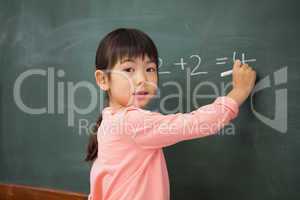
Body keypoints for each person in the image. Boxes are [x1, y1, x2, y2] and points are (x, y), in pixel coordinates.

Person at [85, 28, 256, 200]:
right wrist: (239, 92)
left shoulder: (109, 120)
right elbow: (197, 123)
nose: (142, 79)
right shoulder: (132, 122)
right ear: (103, 79)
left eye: (150, 69)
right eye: (129, 69)